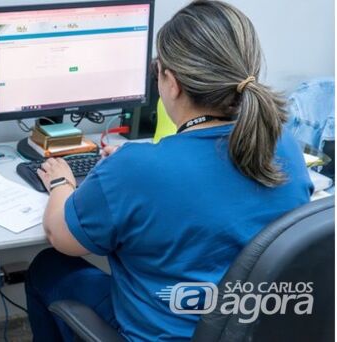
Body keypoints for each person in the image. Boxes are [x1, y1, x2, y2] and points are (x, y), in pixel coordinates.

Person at [25, 1, 314, 341]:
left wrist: (61, 182)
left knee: (48, 266)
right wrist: (128, 168)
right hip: (252, 329)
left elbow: (62, 237)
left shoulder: (136, 168)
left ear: (172, 83)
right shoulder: (284, 146)